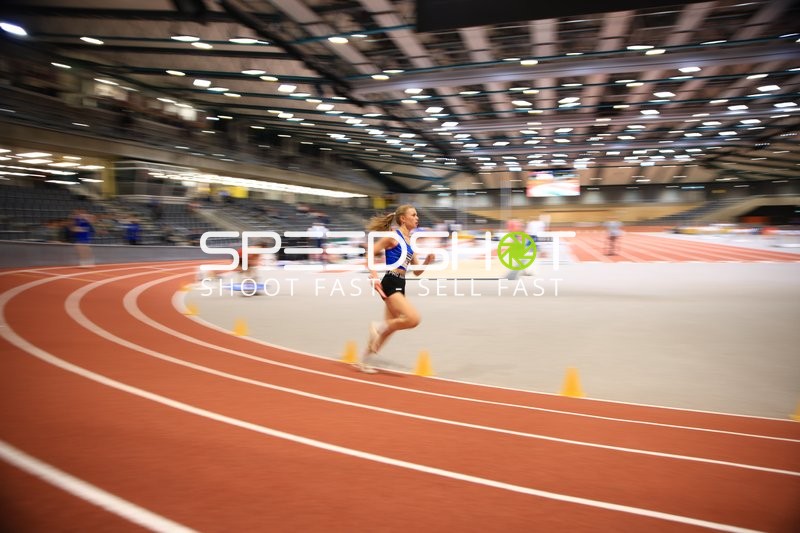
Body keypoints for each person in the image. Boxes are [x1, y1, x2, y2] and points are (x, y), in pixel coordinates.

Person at [360, 205, 434, 374]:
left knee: (390, 329)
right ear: (403, 218)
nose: (417, 218)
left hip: (402, 283)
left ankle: (365, 360)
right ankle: (378, 326)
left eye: (417, 215)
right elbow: (370, 252)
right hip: (391, 281)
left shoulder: (410, 241)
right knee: (413, 319)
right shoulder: (394, 237)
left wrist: (427, 261)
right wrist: (373, 275)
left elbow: (416, 271)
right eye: (413, 215)